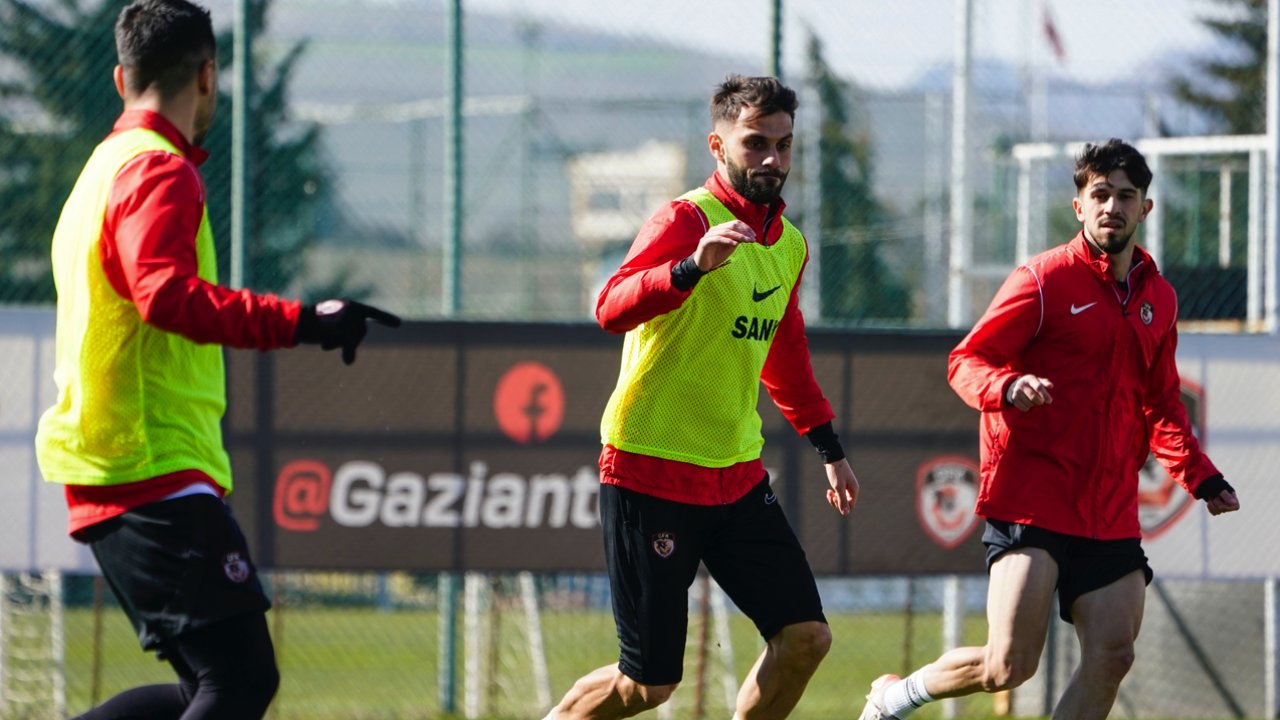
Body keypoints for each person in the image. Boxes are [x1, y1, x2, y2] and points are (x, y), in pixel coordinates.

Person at [34, 1, 400, 718]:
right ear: (209, 76)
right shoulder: (157, 172)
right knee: (237, 682)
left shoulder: (103, 168)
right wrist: (305, 322)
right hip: (149, 467)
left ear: (119, 78)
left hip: (125, 465)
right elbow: (165, 296)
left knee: (205, 685)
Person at [857, 138, 1240, 720]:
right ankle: (894, 697)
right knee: (1007, 667)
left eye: (1126, 196)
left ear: (1145, 209)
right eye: (1101, 194)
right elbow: (966, 362)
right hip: (1031, 499)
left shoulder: (1158, 298)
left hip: (1109, 508)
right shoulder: (1042, 280)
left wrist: (1203, 479)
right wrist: (1008, 388)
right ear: (1079, 206)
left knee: (1113, 654)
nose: (1113, 206)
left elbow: (1161, 402)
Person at [544, 74, 860, 720]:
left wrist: (828, 445)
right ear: (717, 146)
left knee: (805, 638)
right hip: (649, 469)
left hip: (735, 476)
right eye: (755, 144)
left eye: (784, 145)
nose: (772, 160)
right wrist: (690, 268)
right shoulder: (685, 220)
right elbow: (609, 306)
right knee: (648, 686)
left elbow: (784, 354)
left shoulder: (790, 246)